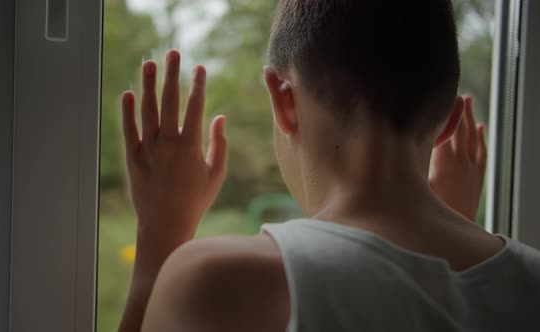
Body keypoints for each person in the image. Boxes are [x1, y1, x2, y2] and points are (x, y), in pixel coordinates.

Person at [117, 1, 540, 331]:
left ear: (283, 101)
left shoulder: (218, 285)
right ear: (449, 120)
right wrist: (455, 223)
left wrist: (161, 236)